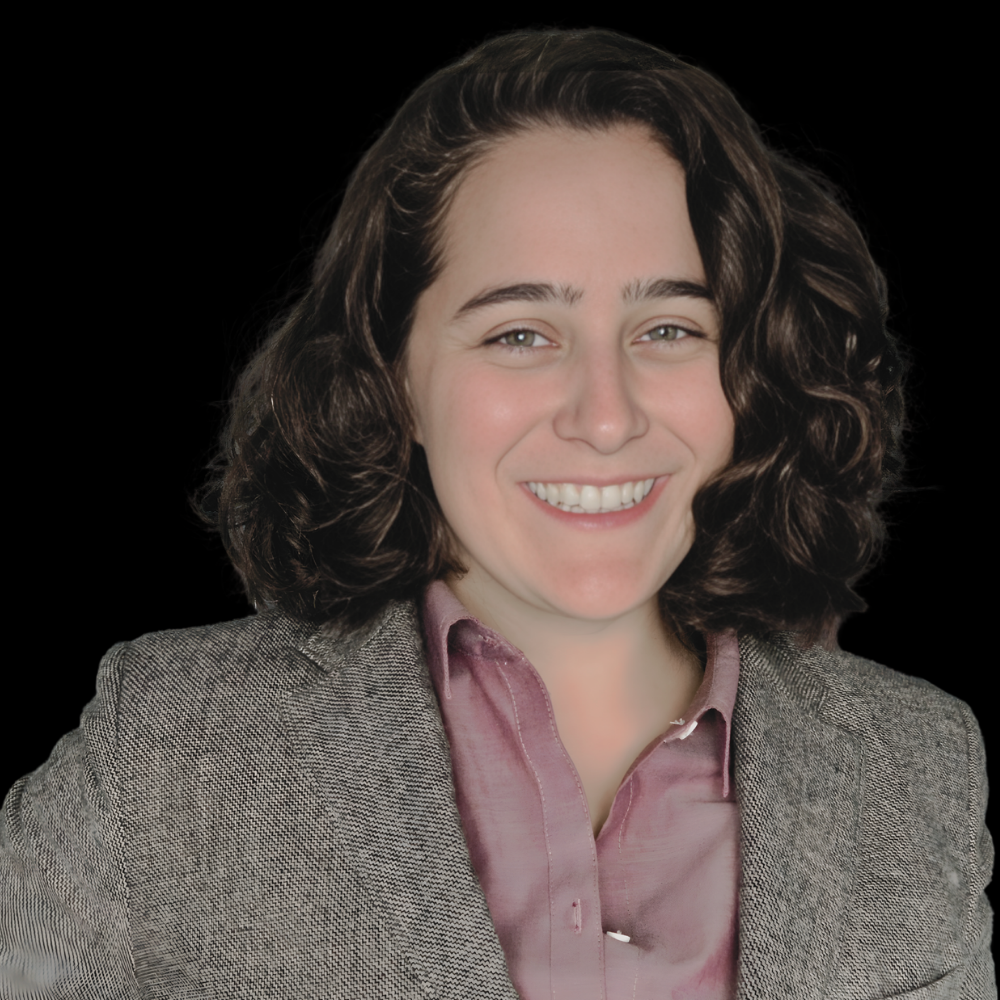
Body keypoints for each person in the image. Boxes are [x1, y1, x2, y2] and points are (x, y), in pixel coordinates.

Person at [1, 26, 993, 999]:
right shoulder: (165, 750)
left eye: (667, 327)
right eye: (521, 332)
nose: (605, 416)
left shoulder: (916, 765)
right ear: (397, 375)